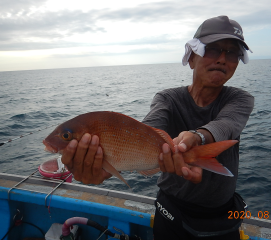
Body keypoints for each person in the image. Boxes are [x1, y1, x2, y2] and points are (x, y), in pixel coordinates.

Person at [61, 15, 254, 240]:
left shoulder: (241, 99)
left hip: (223, 216)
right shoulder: (167, 98)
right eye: (212, 49)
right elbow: (147, 129)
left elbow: (226, 125)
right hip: (170, 209)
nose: (222, 58)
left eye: (232, 52)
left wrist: (197, 137)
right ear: (191, 58)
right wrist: (107, 166)